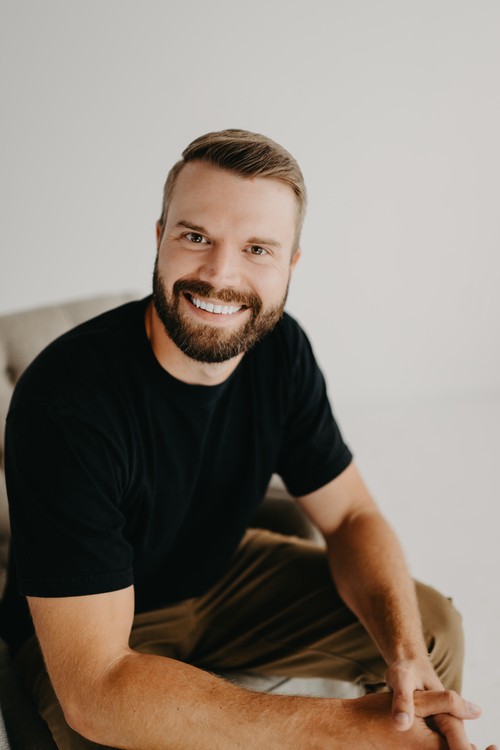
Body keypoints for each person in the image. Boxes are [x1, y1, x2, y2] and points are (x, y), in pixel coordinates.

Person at [0, 129, 496, 750]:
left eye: (257, 248)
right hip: (94, 623)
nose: (220, 274)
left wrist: (404, 654)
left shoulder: (282, 351)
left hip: (223, 576)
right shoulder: (67, 400)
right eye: (195, 237)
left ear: (290, 266)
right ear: (160, 238)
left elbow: (350, 515)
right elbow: (97, 687)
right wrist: (344, 730)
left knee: (433, 628)